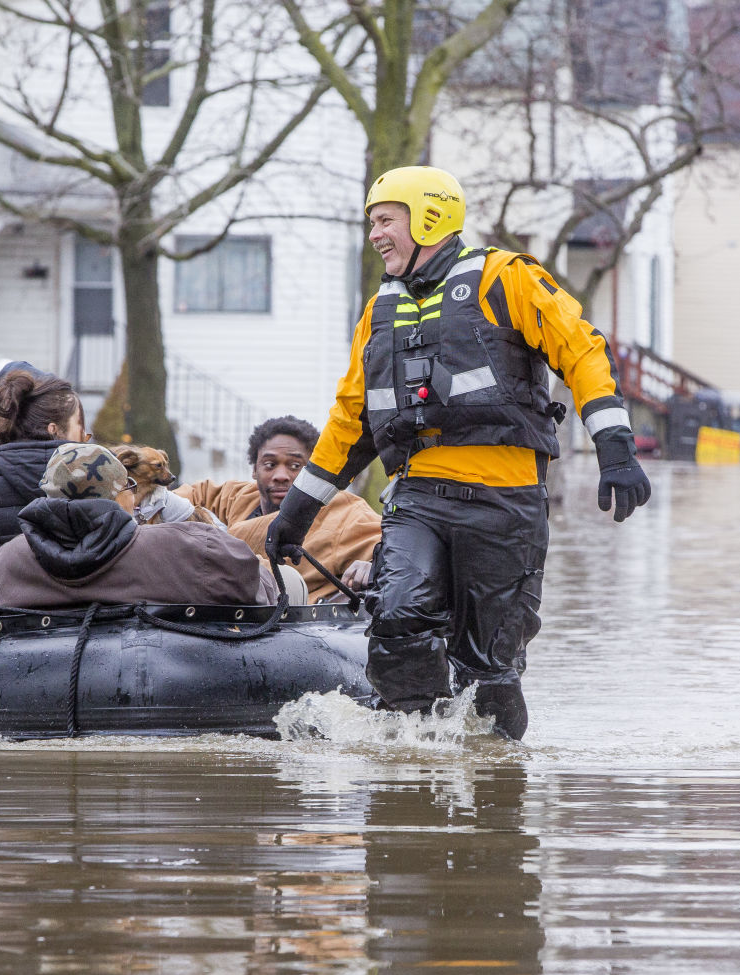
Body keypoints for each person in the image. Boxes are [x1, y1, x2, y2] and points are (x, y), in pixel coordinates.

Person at [265, 166, 651, 739]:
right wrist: (296, 515)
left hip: (505, 506)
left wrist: (614, 448)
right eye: (372, 223)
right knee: (397, 620)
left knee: (488, 669)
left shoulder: (505, 278)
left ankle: (495, 778)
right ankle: (412, 761)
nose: (374, 235)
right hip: (418, 501)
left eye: (385, 221)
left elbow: (583, 351)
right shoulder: (378, 313)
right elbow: (351, 421)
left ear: (429, 217)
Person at [0, 443, 278, 609]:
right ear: (119, 494)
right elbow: (259, 588)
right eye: (129, 486)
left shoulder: (6, 560)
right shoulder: (186, 546)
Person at [178, 416, 382, 601]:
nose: (281, 476)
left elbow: (389, 549)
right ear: (254, 470)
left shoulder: (343, 511)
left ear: (314, 471)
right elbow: (182, 499)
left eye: (295, 466)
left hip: (296, 622)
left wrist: (371, 566)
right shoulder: (238, 497)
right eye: (270, 464)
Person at [0, 362, 86, 575]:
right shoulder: (92, 474)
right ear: (54, 429)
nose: (85, 439)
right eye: (81, 429)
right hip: (80, 595)